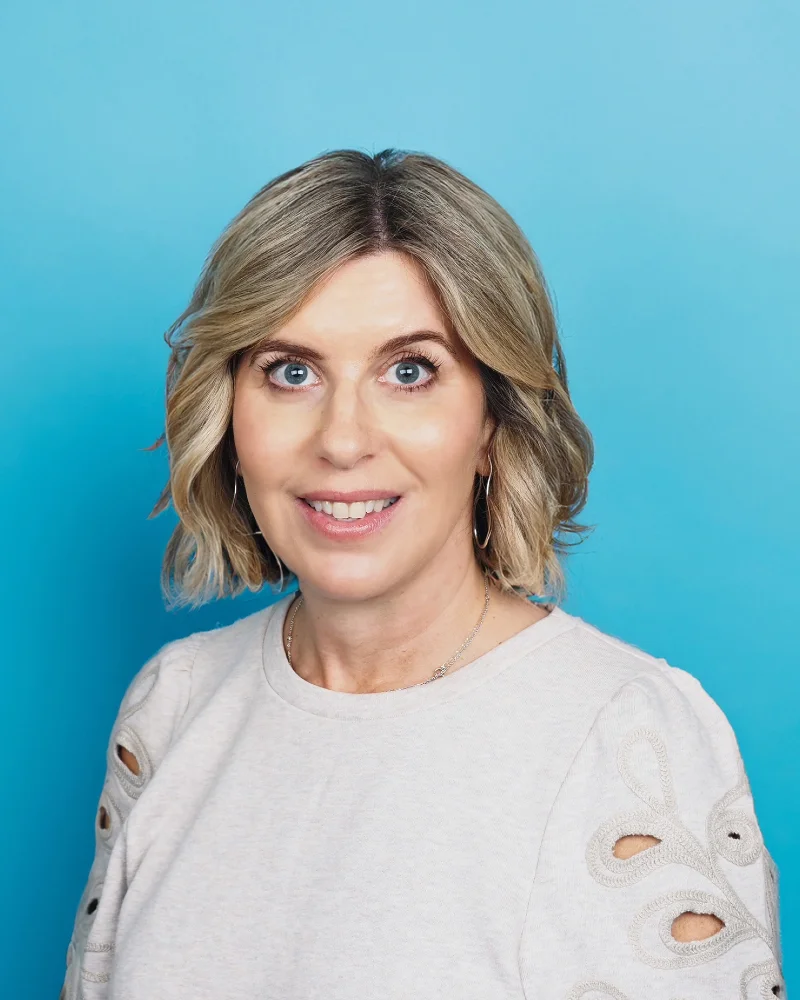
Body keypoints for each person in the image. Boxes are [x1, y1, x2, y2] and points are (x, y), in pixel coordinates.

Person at [61, 149, 784, 1000]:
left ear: (492, 422)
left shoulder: (629, 735)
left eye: (409, 372)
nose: (343, 439)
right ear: (227, 415)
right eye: (291, 372)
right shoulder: (174, 704)